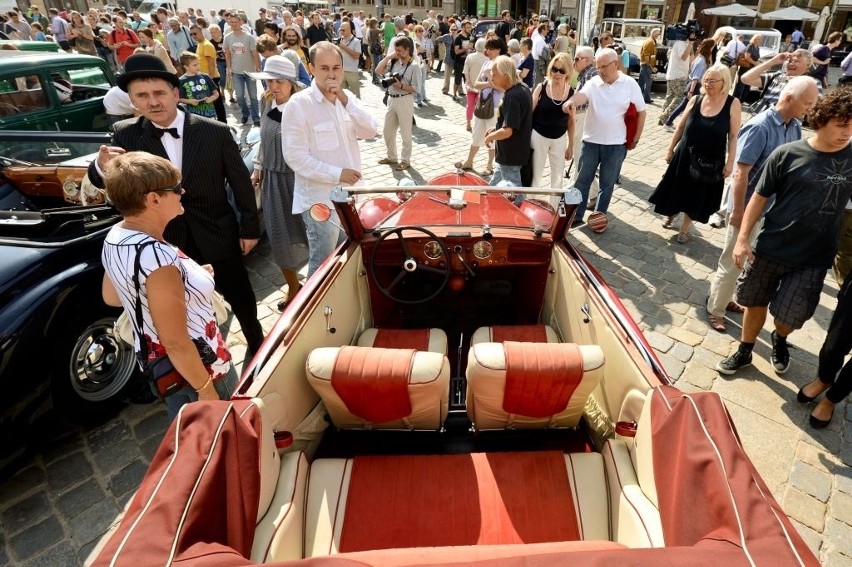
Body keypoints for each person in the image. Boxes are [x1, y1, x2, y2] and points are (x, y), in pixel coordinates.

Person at [87, 53, 265, 357]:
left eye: (158, 93)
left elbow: (240, 184)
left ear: (175, 93)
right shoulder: (125, 134)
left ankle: (258, 347)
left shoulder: (215, 131)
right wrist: (101, 166)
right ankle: (202, 356)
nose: (153, 102)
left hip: (217, 232)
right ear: (132, 101)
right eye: (142, 96)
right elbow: (109, 183)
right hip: (164, 243)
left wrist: (250, 228)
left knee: (241, 297)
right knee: (180, 307)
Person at [717, 88, 852, 377]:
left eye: (851, 125)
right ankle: (745, 349)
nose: (846, 132)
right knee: (754, 301)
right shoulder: (787, 154)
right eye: (841, 124)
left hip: (814, 257)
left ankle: (780, 338)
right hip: (771, 246)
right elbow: (759, 197)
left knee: (791, 315)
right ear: (822, 120)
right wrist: (742, 239)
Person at [100, 152, 236, 420]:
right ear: (153, 199)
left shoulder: (116, 236)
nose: (182, 191)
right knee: (231, 434)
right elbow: (175, 341)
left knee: (193, 438)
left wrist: (188, 279)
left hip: (164, 369)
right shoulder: (157, 257)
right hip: (201, 368)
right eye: (175, 188)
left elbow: (113, 296)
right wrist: (207, 390)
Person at [705, 77, 819, 333]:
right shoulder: (760, 126)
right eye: (807, 103)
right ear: (789, 98)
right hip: (747, 208)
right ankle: (715, 309)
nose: (809, 109)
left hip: (770, 210)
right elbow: (740, 173)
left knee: (746, 263)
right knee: (732, 262)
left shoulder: (794, 127)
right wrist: (738, 213)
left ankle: (723, 299)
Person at [281, 42, 377, 276]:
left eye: (336, 68)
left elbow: (370, 131)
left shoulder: (347, 99)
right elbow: (295, 157)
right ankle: (314, 307)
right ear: (311, 68)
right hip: (320, 201)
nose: (331, 75)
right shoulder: (299, 104)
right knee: (323, 262)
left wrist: (345, 99)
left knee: (348, 252)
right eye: (324, 68)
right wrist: (337, 174)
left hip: (351, 196)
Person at [650, 64, 741, 244]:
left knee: (697, 194)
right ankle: (671, 213)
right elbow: (681, 127)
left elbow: (732, 136)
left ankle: (684, 229)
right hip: (685, 154)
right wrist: (670, 148)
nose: (708, 84)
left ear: (724, 82)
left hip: (711, 159)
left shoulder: (733, 103)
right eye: (706, 80)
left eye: (713, 81)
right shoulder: (696, 100)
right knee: (676, 187)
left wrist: (730, 163)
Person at [248, 56, 309, 312]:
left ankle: (321, 280)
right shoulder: (267, 102)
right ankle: (293, 286)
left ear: (292, 83)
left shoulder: (304, 106)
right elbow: (264, 136)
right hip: (272, 178)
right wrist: (259, 166)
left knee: (310, 233)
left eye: (279, 81)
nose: (273, 86)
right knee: (279, 235)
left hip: (300, 179)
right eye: (269, 81)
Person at [563, 48, 646, 231]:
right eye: (597, 66)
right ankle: (576, 216)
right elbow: (581, 95)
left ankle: (598, 220)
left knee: (607, 185)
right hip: (591, 141)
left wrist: (636, 139)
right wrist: (571, 102)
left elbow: (642, 112)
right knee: (582, 181)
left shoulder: (630, 84)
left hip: (616, 145)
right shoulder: (594, 82)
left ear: (615, 64)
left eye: (603, 67)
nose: (600, 71)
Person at [456, 38, 505, 175]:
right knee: (477, 133)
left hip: (495, 106)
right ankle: (469, 160)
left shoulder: (502, 64)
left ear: (498, 49)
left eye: (490, 48)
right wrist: (489, 83)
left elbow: (502, 88)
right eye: (487, 48)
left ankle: (489, 165)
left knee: (491, 135)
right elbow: (476, 83)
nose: (487, 51)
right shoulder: (486, 63)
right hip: (482, 103)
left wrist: (489, 78)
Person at [483, 55, 532, 188]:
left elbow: (508, 131)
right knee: (492, 188)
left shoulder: (513, 96)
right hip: (510, 154)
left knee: (513, 194)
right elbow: (515, 120)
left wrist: (489, 137)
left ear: (505, 75)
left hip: (511, 155)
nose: (491, 78)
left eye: (495, 74)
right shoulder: (523, 88)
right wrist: (496, 128)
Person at [530, 53, 575, 192]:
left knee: (557, 178)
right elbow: (529, 113)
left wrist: (571, 146)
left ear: (568, 72)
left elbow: (572, 121)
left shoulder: (572, 93)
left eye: (562, 70)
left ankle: (555, 209)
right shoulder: (541, 88)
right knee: (535, 176)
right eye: (554, 69)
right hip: (539, 136)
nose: (557, 73)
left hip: (559, 139)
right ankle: (532, 207)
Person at [376, 36, 418, 171]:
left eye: (400, 50)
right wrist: (388, 57)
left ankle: (406, 160)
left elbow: (416, 89)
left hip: (405, 99)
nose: (398, 53)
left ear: (407, 49)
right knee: (387, 131)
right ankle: (392, 156)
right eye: (396, 50)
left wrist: (401, 86)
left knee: (405, 133)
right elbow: (377, 71)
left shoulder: (414, 66)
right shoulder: (394, 62)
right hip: (391, 99)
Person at [740, 48, 820, 114]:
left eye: (796, 61)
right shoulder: (776, 76)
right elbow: (745, 79)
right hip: (760, 122)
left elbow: (813, 108)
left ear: (808, 65)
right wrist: (773, 61)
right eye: (790, 61)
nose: (791, 64)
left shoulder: (813, 83)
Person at [663, 38, 715, 131]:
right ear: (709, 47)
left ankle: (670, 122)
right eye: (712, 47)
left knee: (687, 106)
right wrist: (691, 91)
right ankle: (669, 122)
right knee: (687, 106)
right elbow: (695, 77)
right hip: (695, 87)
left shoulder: (700, 58)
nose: (713, 49)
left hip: (694, 86)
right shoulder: (701, 61)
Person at [224, 14, 261, 127]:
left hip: (249, 71)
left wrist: (257, 67)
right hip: (236, 72)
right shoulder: (228, 37)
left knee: (253, 96)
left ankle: (256, 117)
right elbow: (227, 53)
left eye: (236, 22)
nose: (234, 24)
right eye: (232, 22)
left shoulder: (249, 37)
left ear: (241, 23)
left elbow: (254, 53)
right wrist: (229, 67)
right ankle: (245, 113)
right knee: (239, 96)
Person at [658, 35, 692, 126]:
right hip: (678, 76)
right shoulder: (682, 43)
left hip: (673, 75)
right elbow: (684, 57)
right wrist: (691, 43)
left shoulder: (679, 42)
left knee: (670, 97)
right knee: (680, 97)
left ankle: (662, 119)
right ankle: (664, 117)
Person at [178, 51, 219, 119]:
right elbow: (179, 99)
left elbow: (216, 93)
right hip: (194, 116)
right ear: (186, 67)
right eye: (195, 65)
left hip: (210, 113)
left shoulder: (205, 76)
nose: (198, 67)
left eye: (198, 64)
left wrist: (212, 98)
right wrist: (190, 101)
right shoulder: (181, 81)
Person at [462, 38, 488, 132]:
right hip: (482, 86)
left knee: (469, 105)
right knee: (480, 105)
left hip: (471, 85)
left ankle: (468, 123)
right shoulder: (488, 58)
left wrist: (468, 83)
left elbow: (465, 72)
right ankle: (478, 124)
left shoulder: (470, 57)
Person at [733, 34, 761, 102]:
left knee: (748, 85)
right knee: (741, 84)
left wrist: (758, 63)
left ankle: (742, 100)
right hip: (746, 68)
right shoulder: (750, 46)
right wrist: (755, 63)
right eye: (759, 39)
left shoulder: (757, 48)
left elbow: (756, 58)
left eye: (760, 39)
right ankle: (734, 100)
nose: (760, 41)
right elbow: (747, 57)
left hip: (752, 69)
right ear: (754, 39)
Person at [338, 20, 362, 98]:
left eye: (343, 30)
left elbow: (356, 56)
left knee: (355, 97)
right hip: (341, 71)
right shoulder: (339, 40)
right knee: (342, 96)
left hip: (352, 71)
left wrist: (344, 47)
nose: (342, 32)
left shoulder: (356, 41)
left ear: (349, 29)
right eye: (341, 30)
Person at [638, 28, 660, 104]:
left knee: (642, 82)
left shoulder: (651, 41)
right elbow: (646, 55)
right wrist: (650, 66)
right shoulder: (650, 42)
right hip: (646, 65)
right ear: (654, 34)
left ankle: (639, 97)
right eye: (658, 34)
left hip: (645, 64)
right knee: (648, 82)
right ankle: (646, 98)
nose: (658, 36)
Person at [452, 20, 473, 100]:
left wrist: (472, 48)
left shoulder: (470, 36)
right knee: (457, 79)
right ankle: (454, 94)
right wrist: (466, 48)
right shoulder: (458, 37)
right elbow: (456, 51)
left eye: (470, 27)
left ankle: (469, 94)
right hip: (459, 62)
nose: (469, 29)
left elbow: (472, 46)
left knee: (468, 79)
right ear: (463, 27)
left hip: (468, 61)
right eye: (468, 27)